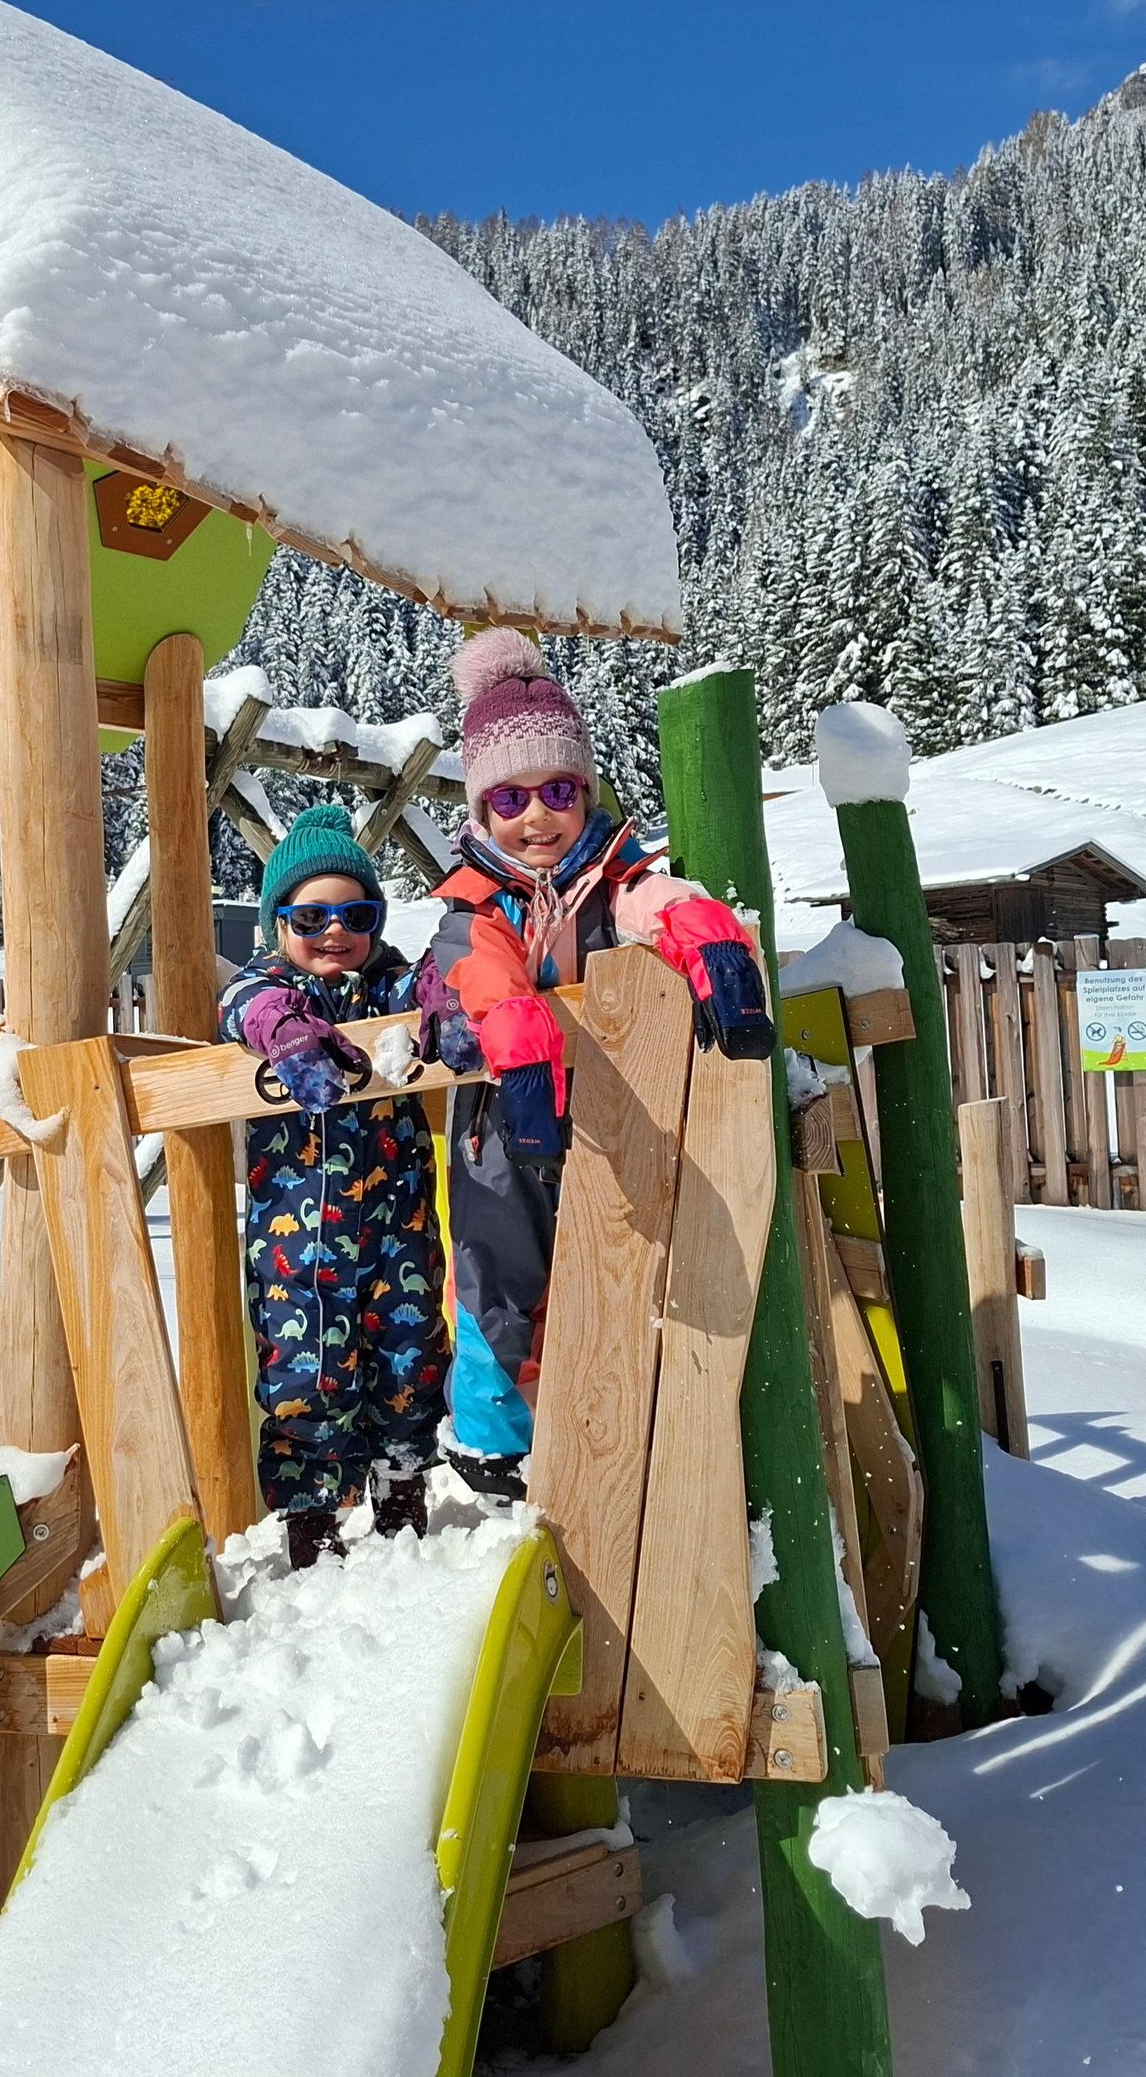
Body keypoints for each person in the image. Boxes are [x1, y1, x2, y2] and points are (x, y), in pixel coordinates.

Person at [422, 629, 776, 1493]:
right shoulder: (476, 905)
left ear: (586, 794)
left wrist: (712, 949)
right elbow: (488, 980)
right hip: (501, 1125)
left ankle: (614, 1423)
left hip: (611, 1112)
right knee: (495, 1273)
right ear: (480, 813)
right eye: (509, 800)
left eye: (557, 791)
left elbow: (665, 906)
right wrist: (524, 1068)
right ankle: (493, 1444)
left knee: (618, 1267)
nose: (536, 816)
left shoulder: (612, 880)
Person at [216, 805, 449, 1565]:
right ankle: (311, 1517)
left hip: (397, 1229)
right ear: (276, 924)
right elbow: (240, 1004)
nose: (334, 932)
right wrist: (286, 1027)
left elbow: (439, 980)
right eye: (309, 916)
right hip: (299, 1241)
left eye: (355, 914)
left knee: (410, 1354)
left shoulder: (391, 988)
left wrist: (449, 986)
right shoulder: (265, 993)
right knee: (303, 1369)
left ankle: (404, 1491)